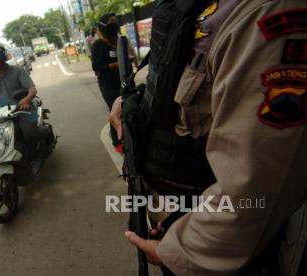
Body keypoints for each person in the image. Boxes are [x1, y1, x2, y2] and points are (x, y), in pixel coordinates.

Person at [109, 0, 307, 274]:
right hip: (171, 219)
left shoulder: (265, 10)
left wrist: (179, 252)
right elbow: (186, 87)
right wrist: (134, 100)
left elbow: (256, 192)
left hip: (214, 250)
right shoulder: (195, 5)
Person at [91, 13, 136, 153]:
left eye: (115, 21)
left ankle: (131, 136)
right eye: (111, 22)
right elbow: (96, 67)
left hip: (126, 80)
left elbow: (130, 56)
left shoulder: (120, 41)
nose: (114, 24)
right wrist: (115, 65)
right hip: (108, 85)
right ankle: (117, 141)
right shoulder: (98, 45)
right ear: (103, 25)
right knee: (115, 111)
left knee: (130, 107)